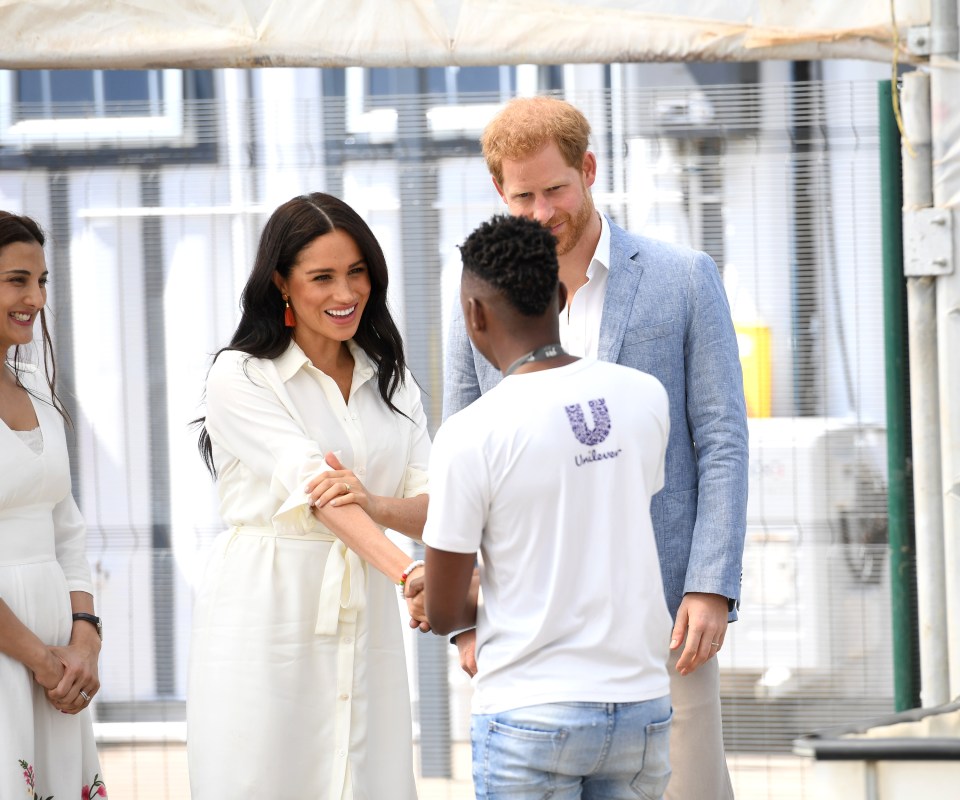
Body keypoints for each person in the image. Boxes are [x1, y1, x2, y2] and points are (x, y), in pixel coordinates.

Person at [443, 96, 748, 799]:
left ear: (588, 168)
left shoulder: (683, 278)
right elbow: (459, 446)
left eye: (557, 189)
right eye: (524, 196)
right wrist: (468, 622)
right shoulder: (479, 299)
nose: (544, 211)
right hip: (531, 626)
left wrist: (710, 585)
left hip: (667, 612)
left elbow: (724, 439)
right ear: (499, 191)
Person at [187, 192, 430, 799]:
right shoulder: (240, 375)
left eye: (356, 272)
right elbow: (316, 488)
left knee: (366, 777)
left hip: (366, 608)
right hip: (267, 612)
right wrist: (408, 574)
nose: (345, 293)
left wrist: (373, 504)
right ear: (282, 284)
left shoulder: (393, 384)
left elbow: (436, 505)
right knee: (265, 775)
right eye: (322, 277)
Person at [423, 213, 673, 798]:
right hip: (641, 707)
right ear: (561, 297)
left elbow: (444, 611)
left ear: (474, 315)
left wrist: (474, 586)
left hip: (530, 714)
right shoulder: (644, 397)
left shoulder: (470, 433)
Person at [0, 211, 107, 799]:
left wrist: (84, 641)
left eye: (41, 282)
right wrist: (42, 659)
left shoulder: (38, 391)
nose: (35, 298)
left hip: (59, 660)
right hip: (16, 653)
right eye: (18, 280)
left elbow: (68, 531)